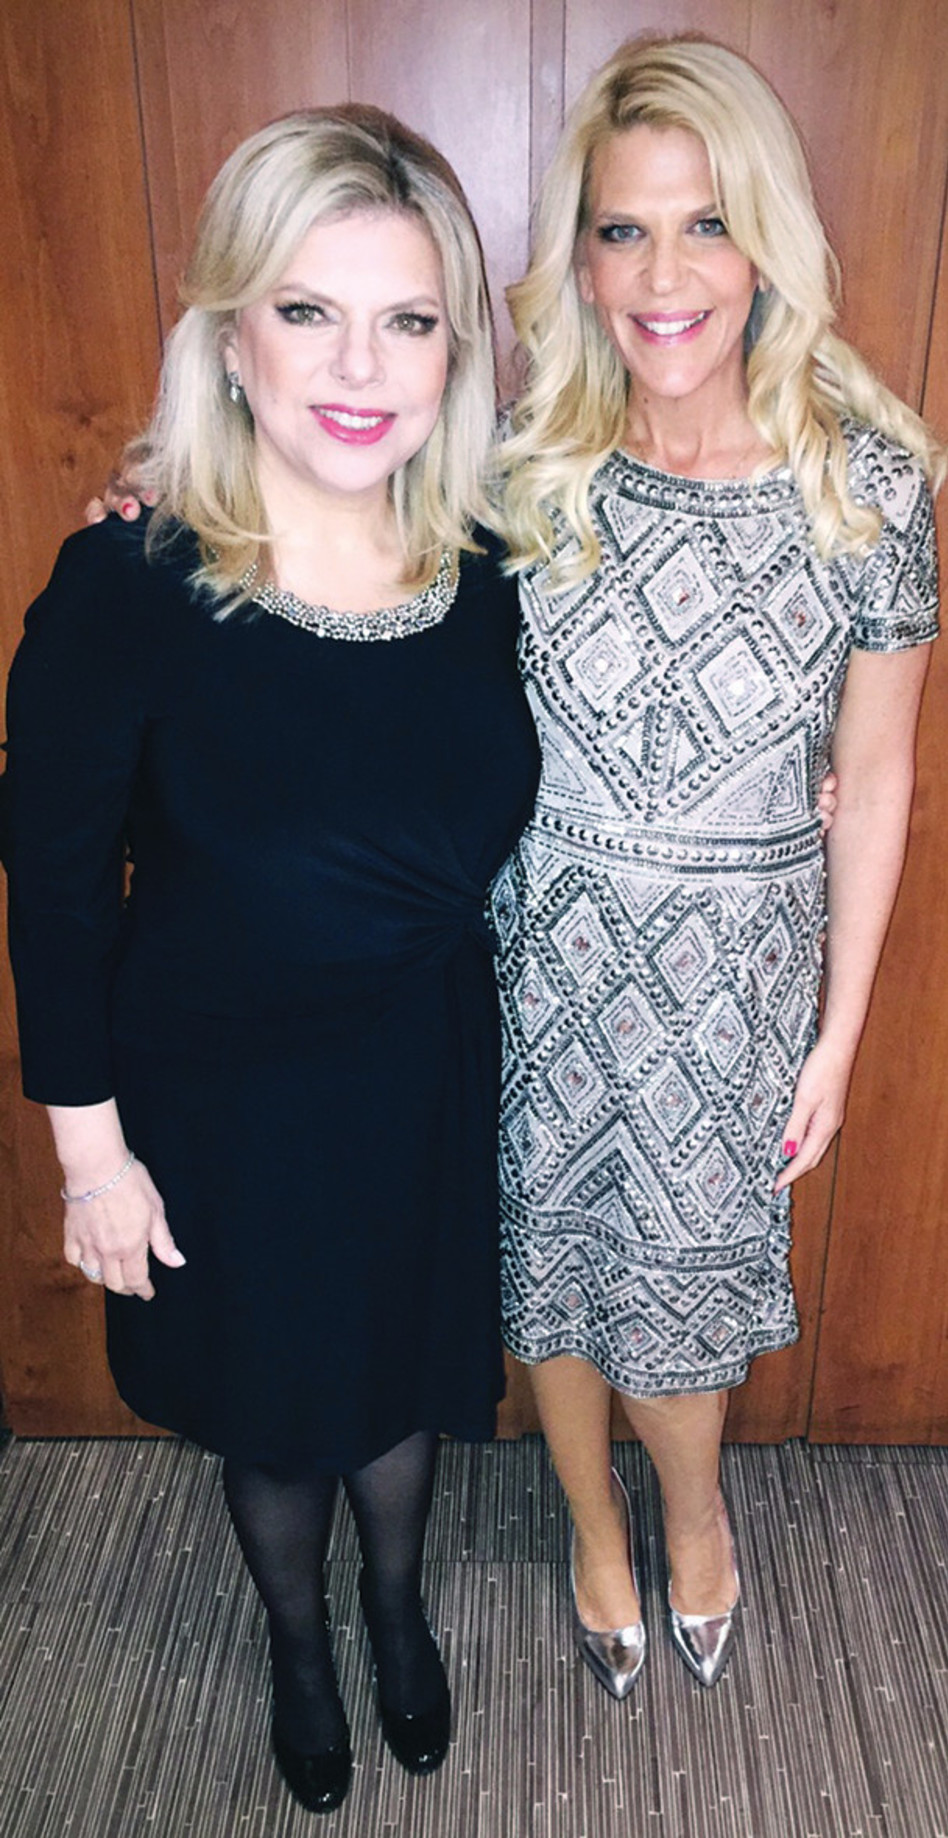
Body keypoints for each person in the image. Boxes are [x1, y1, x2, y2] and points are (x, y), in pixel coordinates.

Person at [2, 106, 540, 1813]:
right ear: (231, 335)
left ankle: (397, 1605)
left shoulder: (490, 567)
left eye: (408, 319)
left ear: (456, 351)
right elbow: (55, 883)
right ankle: (300, 1645)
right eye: (308, 311)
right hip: (224, 1095)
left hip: (422, 1067)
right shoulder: (130, 581)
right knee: (278, 1398)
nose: (359, 367)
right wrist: (91, 1156)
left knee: (395, 1369)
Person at [489, 35, 942, 1696]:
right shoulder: (522, 468)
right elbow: (325, 535)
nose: (663, 275)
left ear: (766, 244)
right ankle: (592, 1532)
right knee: (548, 1271)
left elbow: (876, 780)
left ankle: (692, 1521)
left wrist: (837, 1034)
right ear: (582, 256)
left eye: (706, 226)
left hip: (729, 983)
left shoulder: (869, 486)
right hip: (536, 957)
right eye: (623, 230)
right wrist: (162, 485)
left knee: (677, 1301)